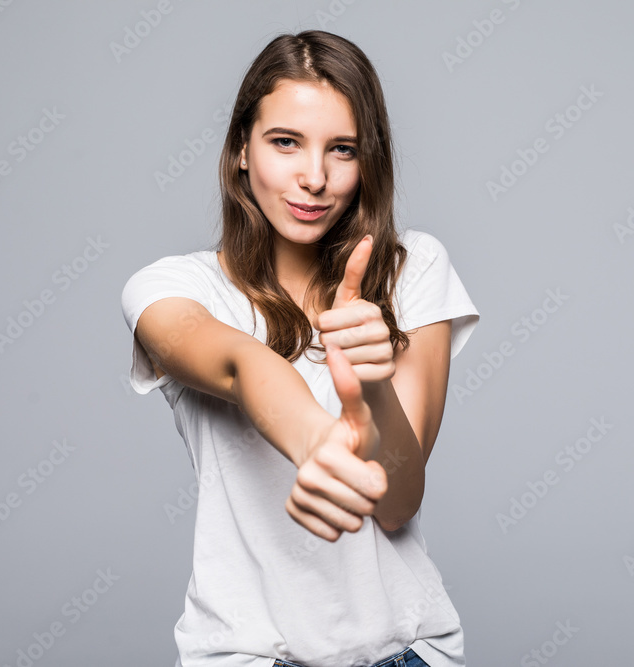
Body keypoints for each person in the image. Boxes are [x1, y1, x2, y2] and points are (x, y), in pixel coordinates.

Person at [121, 29, 480, 667]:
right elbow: (241, 367)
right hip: (249, 654)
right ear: (240, 150)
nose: (313, 178)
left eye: (341, 150)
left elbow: (397, 504)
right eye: (285, 142)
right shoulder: (172, 288)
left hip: (406, 651)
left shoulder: (412, 270)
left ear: (369, 161)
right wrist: (319, 440)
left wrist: (369, 384)